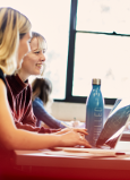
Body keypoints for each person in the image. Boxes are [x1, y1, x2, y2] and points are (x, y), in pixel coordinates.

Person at [0, 7, 90, 177]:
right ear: (13, 41)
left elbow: (26, 128)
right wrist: (60, 137)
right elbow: (11, 135)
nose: (27, 49)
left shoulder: (23, 88)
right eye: (28, 43)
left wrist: (59, 133)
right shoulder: (2, 82)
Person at [5, 31, 62, 133]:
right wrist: (59, 134)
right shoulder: (5, 84)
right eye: (37, 52)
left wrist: (63, 134)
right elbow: (13, 129)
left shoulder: (27, 89)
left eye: (43, 52)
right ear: (19, 53)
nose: (44, 58)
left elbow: (30, 126)